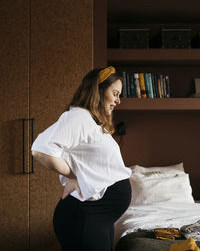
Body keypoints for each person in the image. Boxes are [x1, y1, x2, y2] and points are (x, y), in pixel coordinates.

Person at [31, 66, 132, 251]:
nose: (118, 100)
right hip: (85, 218)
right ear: (99, 90)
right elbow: (40, 150)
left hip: (99, 219)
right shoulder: (79, 116)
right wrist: (72, 175)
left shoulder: (92, 122)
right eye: (115, 93)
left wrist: (75, 174)